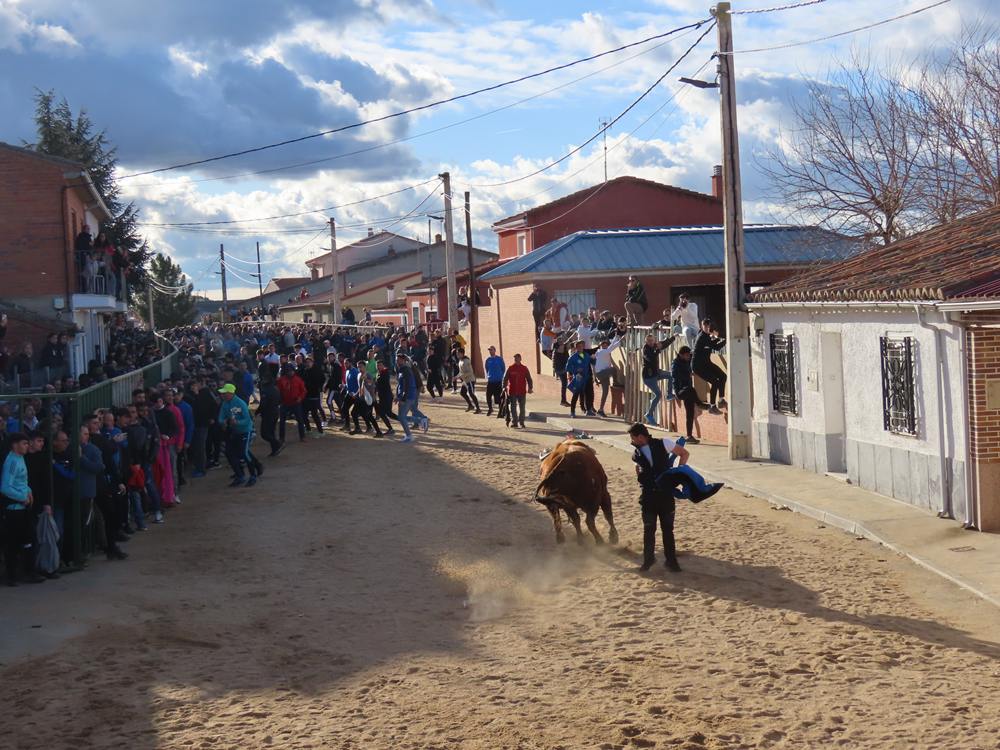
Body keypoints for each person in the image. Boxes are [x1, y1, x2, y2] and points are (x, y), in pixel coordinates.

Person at [629, 423, 688, 573]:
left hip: (665, 494)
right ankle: (648, 560)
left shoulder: (664, 443)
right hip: (648, 496)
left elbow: (684, 453)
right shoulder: (636, 454)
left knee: (668, 530)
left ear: (641, 437)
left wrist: (679, 472)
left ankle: (671, 561)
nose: (632, 441)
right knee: (649, 529)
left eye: (633, 438)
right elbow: (638, 471)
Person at [2, 433, 45, 585]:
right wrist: (22, 497)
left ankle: (28, 571)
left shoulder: (20, 459)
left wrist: (28, 491)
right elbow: (5, 487)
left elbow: (22, 481)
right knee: (14, 542)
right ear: (15, 445)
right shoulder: (12, 461)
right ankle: (13, 575)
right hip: (15, 509)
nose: (27, 446)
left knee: (28, 539)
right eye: (24, 443)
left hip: (23, 506)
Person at [218, 383, 259, 488]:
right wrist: (223, 422)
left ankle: (253, 475)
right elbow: (221, 417)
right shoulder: (225, 403)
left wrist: (237, 422)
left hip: (245, 431)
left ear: (230, 393)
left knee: (244, 453)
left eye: (225, 393)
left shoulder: (240, 403)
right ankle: (240, 475)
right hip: (234, 432)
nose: (222, 395)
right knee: (229, 453)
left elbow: (247, 419)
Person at [671, 346, 712, 442]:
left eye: (689, 355)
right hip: (680, 391)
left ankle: (689, 436)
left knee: (690, 414)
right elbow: (674, 375)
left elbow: (695, 353)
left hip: (688, 393)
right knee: (692, 389)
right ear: (681, 355)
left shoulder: (687, 360)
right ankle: (700, 404)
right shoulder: (675, 363)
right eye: (686, 355)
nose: (688, 357)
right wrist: (687, 375)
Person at [693, 318, 727, 411]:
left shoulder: (707, 336)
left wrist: (716, 338)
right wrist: (726, 339)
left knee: (723, 376)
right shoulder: (702, 337)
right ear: (702, 326)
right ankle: (712, 406)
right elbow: (716, 347)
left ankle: (721, 400)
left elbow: (711, 343)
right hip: (698, 366)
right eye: (705, 325)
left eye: (708, 325)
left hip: (706, 363)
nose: (707, 327)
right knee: (715, 381)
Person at [642, 331, 676, 427]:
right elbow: (650, 358)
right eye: (648, 341)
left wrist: (673, 337)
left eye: (652, 340)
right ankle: (649, 414)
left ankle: (669, 394)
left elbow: (664, 344)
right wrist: (657, 351)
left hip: (656, 372)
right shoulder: (646, 349)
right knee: (658, 394)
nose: (650, 342)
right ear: (646, 341)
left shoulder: (655, 346)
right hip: (649, 377)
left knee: (671, 375)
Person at [593, 334, 623, 417]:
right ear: (601, 345)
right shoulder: (602, 352)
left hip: (602, 373)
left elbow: (611, 346)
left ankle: (601, 410)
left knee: (605, 392)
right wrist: (619, 340)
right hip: (602, 373)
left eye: (606, 344)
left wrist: (616, 337)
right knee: (614, 369)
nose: (605, 345)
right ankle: (616, 382)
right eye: (603, 344)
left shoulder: (603, 351)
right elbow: (612, 347)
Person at [277, 364, 307, 443]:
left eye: (291, 371)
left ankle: (302, 436)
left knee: (300, 420)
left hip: (295, 403)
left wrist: (300, 398)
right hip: (284, 403)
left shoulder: (298, 380)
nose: (290, 373)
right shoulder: (281, 380)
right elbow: (278, 391)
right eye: (288, 371)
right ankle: (281, 438)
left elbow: (303, 391)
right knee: (282, 421)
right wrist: (279, 400)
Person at [502, 353, 533, 429]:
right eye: (515, 358)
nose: (516, 359)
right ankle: (514, 422)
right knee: (513, 407)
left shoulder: (524, 368)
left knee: (522, 407)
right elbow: (505, 379)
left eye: (517, 358)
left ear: (520, 359)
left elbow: (529, 379)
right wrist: (504, 387)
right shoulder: (510, 368)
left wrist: (530, 388)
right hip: (512, 391)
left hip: (522, 391)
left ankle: (522, 422)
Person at [566, 340, 595, 418]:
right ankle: (572, 411)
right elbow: (568, 368)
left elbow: (592, 362)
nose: (581, 348)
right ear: (576, 348)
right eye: (579, 347)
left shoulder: (586, 355)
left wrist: (593, 358)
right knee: (576, 394)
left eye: (582, 346)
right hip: (579, 378)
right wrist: (575, 371)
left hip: (587, 377)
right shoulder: (573, 357)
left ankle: (588, 410)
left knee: (588, 394)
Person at [395, 353, 420, 443]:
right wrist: (397, 396)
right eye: (396, 360)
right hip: (405, 396)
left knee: (401, 417)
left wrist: (403, 399)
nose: (397, 361)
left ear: (403, 360)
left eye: (399, 360)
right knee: (401, 416)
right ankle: (421, 420)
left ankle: (409, 435)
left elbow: (407, 385)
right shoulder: (401, 369)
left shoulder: (406, 370)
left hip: (408, 396)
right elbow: (400, 385)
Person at [483, 345, 505, 417]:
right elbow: (487, 369)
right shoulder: (488, 360)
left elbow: (503, 368)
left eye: (491, 350)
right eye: (489, 350)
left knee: (498, 397)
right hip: (491, 381)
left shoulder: (499, 359)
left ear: (494, 350)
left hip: (498, 381)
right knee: (488, 395)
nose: (490, 351)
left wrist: (500, 376)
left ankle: (501, 411)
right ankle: (490, 408)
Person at [456, 348, 480, 413]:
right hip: (465, 381)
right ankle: (470, 405)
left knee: (471, 393)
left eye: (458, 353)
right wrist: (456, 377)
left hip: (470, 380)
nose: (457, 354)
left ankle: (478, 408)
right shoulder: (460, 361)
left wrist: (462, 376)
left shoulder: (466, 361)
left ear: (462, 353)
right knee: (462, 393)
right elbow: (461, 372)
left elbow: (470, 372)